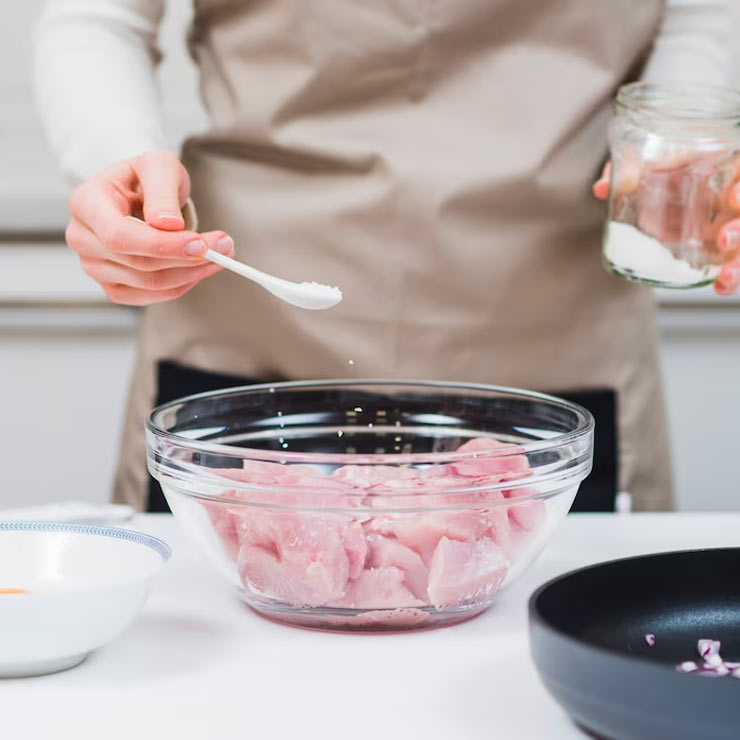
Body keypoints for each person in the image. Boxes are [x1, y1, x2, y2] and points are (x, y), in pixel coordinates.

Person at [33, 0, 735, 512]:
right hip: (247, 321)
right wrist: (116, 166)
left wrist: (678, 137)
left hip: (552, 317)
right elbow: (99, 14)